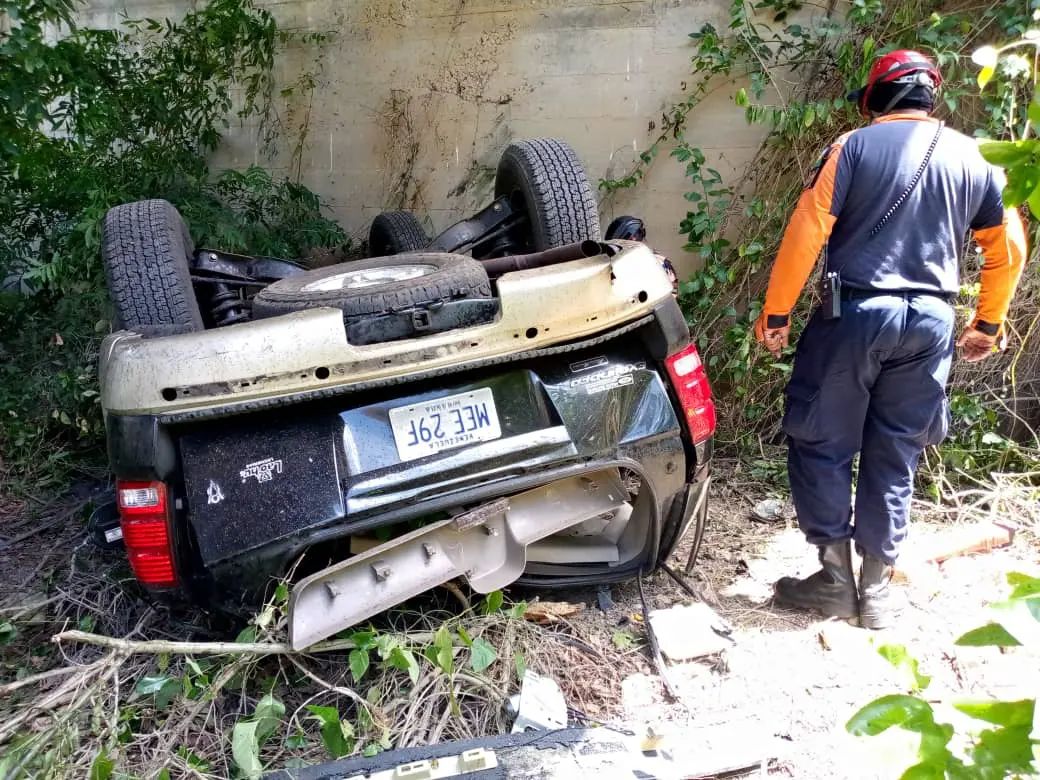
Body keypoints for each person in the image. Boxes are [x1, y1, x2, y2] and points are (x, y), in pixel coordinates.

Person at [753, 50, 1027, 628]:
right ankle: (875, 590)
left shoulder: (851, 148)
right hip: (932, 323)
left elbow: (807, 231)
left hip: (853, 314)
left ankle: (832, 580)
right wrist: (987, 323)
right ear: (933, 98)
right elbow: (1007, 249)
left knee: (821, 440)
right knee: (897, 448)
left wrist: (777, 313)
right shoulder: (976, 159)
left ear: (872, 99)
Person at [604, 215, 679, 294]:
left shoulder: (659, 262)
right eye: (630, 240)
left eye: (638, 234)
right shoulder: (619, 272)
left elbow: (672, 294)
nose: (638, 240)